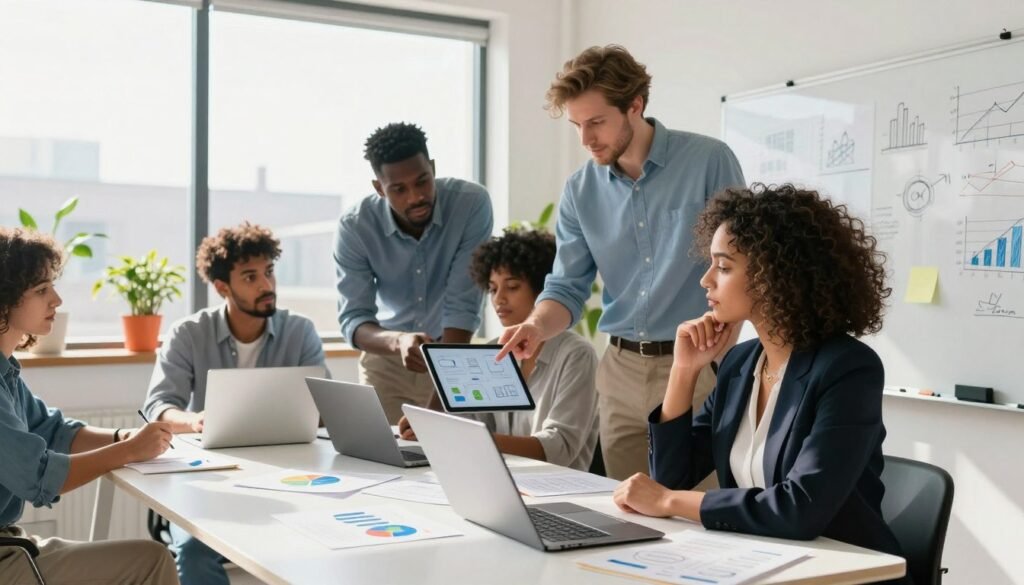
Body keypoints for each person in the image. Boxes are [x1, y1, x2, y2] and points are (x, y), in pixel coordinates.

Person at [612, 184, 907, 579]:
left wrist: (669, 502)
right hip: (759, 562)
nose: (706, 281)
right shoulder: (739, 364)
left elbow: (800, 509)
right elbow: (672, 476)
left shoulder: (849, 369)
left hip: (839, 572)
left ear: (773, 276)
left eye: (724, 266)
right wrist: (684, 372)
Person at [498, 45, 745, 480]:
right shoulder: (580, 190)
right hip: (620, 372)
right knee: (627, 514)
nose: (585, 139)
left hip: (699, 361)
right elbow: (566, 286)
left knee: (699, 514)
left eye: (596, 122)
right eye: (576, 125)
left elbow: (743, 264)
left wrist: (719, 360)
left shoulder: (709, 160)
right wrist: (536, 327)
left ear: (635, 106)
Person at [143, 222, 326, 585]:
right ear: (222, 286)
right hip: (211, 478)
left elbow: (324, 406)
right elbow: (160, 405)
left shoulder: (300, 330)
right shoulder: (188, 333)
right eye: (250, 277)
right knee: (194, 551)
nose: (266, 285)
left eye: (269, 272)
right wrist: (194, 420)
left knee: (328, 536)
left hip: (289, 473)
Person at [0, 227, 179, 584]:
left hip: (11, 544)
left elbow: (54, 430)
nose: (57, 300)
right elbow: (37, 477)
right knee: (152, 561)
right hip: (6, 558)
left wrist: (123, 436)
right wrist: (128, 450)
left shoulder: (7, 374)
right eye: (41, 290)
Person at [335, 122, 493, 424]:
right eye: (399, 189)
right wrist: (399, 341)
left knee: (454, 458)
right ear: (379, 188)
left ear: (433, 168)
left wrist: (437, 407)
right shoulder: (355, 226)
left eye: (423, 181)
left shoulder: (471, 204)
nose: (416, 197)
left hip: (453, 354)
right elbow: (354, 320)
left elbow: (463, 306)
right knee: (384, 462)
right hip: (387, 362)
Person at [402, 228, 599, 471]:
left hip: (558, 487)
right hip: (499, 479)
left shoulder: (576, 354)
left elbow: (558, 448)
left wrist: (464, 438)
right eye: (493, 289)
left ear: (542, 289)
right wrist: (432, 427)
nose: (499, 299)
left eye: (512, 287)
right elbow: (472, 424)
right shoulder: (492, 350)